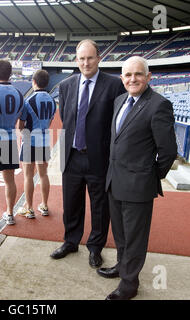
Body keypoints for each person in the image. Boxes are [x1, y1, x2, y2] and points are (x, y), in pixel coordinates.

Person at [97, 56, 177, 300]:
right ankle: (122, 266)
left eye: (138, 74)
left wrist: (149, 176)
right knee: (120, 234)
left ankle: (129, 284)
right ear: (122, 78)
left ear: (148, 77)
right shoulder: (120, 100)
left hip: (138, 186)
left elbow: (168, 151)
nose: (133, 79)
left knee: (135, 238)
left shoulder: (158, 105)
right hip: (115, 181)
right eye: (128, 75)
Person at [51, 39, 126, 268]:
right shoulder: (66, 86)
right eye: (81, 58)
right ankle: (71, 241)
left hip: (99, 159)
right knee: (71, 204)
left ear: (99, 58)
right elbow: (67, 118)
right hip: (72, 156)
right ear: (77, 60)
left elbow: (117, 123)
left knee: (100, 207)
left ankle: (95, 248)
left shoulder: (114, 85)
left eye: (90, 57)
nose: (86, 62)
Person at [0, 59, 24, 227]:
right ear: (10, 74)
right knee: (10, 180)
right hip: (10, 139)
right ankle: (9, 213)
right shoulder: (18, 94)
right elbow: (18, 118)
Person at [16, 69, 56, 218]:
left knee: (28, 176)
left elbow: (21, 125)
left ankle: (30, 208)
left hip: (30, 140)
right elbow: (50, 121)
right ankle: (44, 205)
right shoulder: (52, 101)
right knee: (43, 174)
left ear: (34, 82)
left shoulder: (29, 101)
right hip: (44, 139)